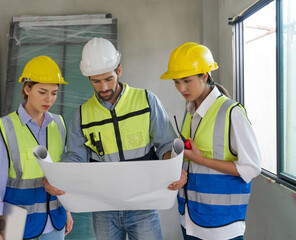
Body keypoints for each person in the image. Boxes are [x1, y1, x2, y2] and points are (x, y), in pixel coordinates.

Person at [44, 37, 187, 240]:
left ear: (119, 71)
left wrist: (173, 169)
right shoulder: (82, 115)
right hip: (103, 208)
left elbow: (166, 144)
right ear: (89, 79)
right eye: (96, 81)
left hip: (142, 205)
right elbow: (76, 158)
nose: (103, 87)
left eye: (108, 79)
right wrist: (57, 178)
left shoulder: (146, 101)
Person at [160, 42, 262, 240]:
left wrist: (201, 160)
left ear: (204, 75)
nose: (181, 88)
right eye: (176, 82)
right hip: (189, 219)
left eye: (187, 81)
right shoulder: (189, 111)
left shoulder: (232, 113)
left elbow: (252, 168)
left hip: (221, 226)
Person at [0, 56, 73, 240]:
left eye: (54, 93)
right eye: (42, 92)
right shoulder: (4, 127)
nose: (49, 99)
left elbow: (62, 176)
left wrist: (68, 211)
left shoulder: (59, 124)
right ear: (27, 88)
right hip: (17, 225)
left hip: (55, 223)